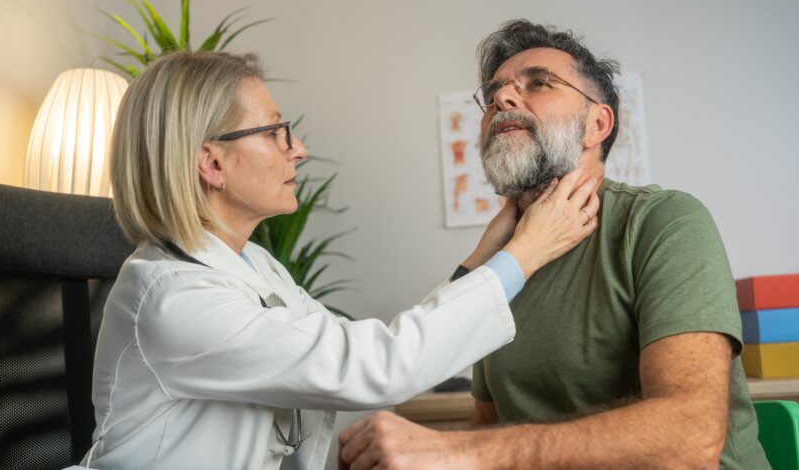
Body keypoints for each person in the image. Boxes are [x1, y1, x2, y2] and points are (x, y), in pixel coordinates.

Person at [81, 50, 601, 470]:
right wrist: (523, 254)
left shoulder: (255, 266)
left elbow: (356, 353)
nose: (298, 148)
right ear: (212, 163)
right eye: (275, 131)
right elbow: (372, 368)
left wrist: (480, 260)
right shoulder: (173, 299)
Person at [338, 20, 770, 469]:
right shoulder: (501, 270)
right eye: (493, 95)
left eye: (539, 83)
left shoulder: (664, 223)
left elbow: (689, 438)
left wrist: (456, 449)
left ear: (596, 124)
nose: (502, 99)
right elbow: (493, 431)